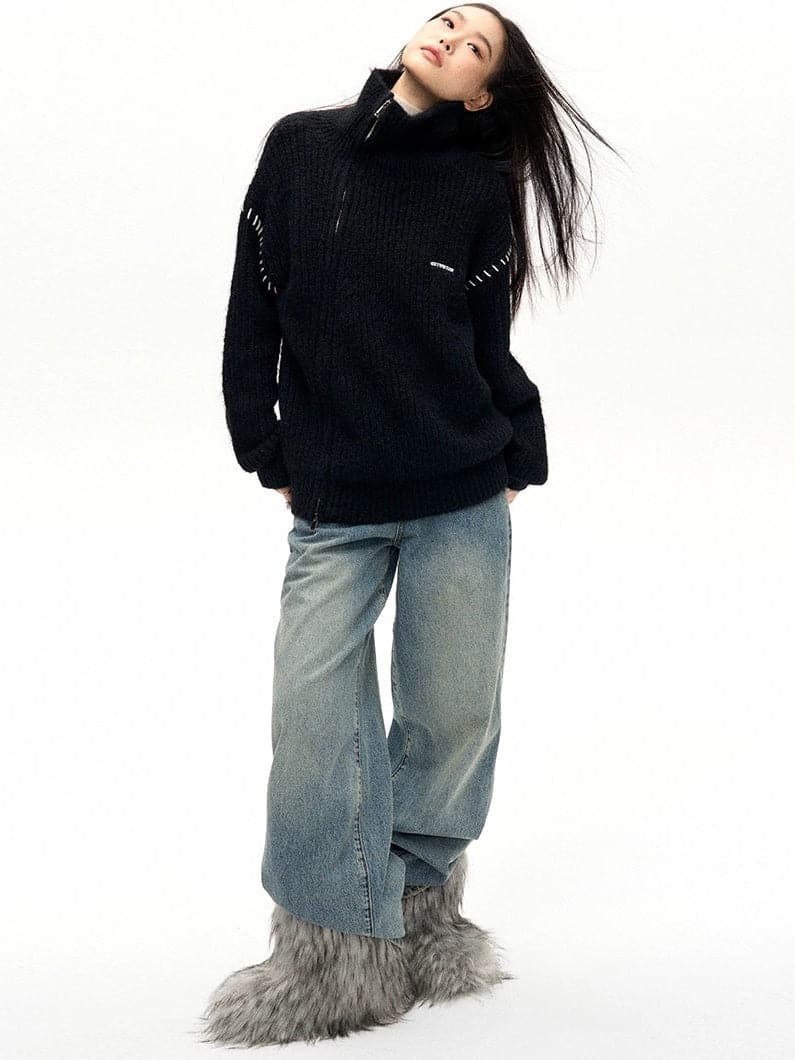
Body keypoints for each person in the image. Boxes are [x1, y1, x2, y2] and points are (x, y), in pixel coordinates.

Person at [200, 4, 619, 1047]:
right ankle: (329, 952)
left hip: (460, 495)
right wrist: (266, 447)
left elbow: (483, 338)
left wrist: (517, 452)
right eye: (447, 19)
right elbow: (254, 306)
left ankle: (421, 918)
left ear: (480, 94)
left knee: (453, 716)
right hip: (336, 504)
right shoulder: (300, 149)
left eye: (476, 46)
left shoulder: (478, 188)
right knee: (313, 721)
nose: (449, 36)